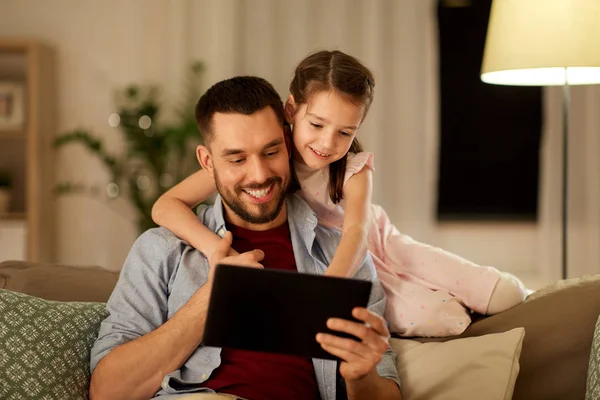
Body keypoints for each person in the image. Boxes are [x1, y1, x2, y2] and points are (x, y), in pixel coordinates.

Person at [151, 50, 527, 338]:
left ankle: (489, 290)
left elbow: (357, 233)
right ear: (291, 109)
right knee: (446, 318)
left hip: (375, 245)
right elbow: (166, 206)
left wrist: (325, 289)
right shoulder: (266, 156)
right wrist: (218, 250)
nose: (327, 143)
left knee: (505, 295)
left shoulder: (353, 170)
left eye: (345, 133)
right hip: (349, 263)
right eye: (316, 124)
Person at [89, 76, 401, 400]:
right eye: (237, 159)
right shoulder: (162, 250)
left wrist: (361, 377)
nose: (259, 175)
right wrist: (212, 299)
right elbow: (107, 391)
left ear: (288, 141)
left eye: (271, 151)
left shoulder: (343, 257)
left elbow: (385, 392)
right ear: (207, 162)